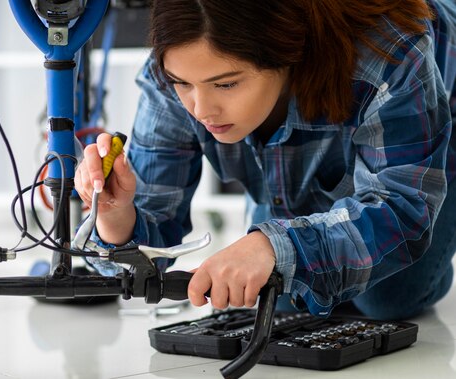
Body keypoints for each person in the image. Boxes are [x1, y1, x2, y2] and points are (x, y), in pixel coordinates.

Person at [75, 0, 456, 320]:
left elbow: (402, 206)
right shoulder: (173, 76)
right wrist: (114, 216)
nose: (201, 110)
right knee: (281, 294)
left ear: (285, 52)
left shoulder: (390, 53)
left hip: (429, 123)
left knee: (386, 298)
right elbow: (143, 247)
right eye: (182, 83)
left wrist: (274, 247)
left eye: (226, 84)